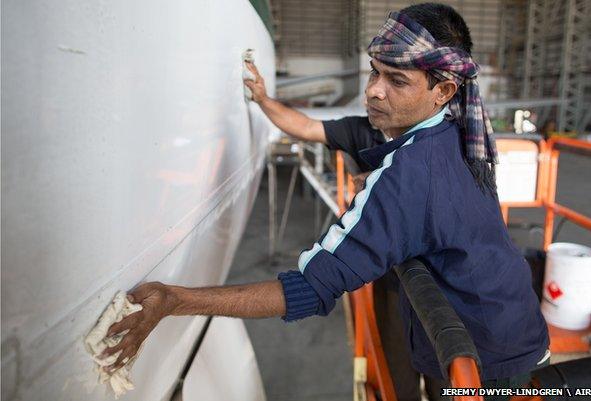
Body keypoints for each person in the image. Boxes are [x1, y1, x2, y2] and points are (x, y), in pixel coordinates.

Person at [99, 4, 550, 400]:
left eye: (396, 80)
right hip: (514, 326)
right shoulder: (458, 137)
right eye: (375, 72)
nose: (374, 89)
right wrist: (262, 100)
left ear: (444, 91)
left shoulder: (406, 177)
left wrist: (174, 300)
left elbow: (310, 287)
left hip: (484, 360)